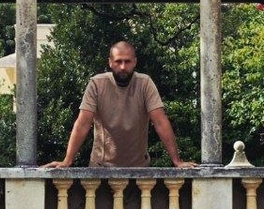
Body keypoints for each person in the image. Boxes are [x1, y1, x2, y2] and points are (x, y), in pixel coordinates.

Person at [44, 40, 197, 169]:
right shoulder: (97, 84)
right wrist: (67, 161)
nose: (123, 67)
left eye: (127, 61)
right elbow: (83, 123)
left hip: (138, 169)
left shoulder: (145, 83)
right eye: (118, 61)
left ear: (135, 62)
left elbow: (160, 121)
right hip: (101, 169)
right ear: (110, 62)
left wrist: (177, 161)